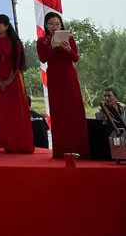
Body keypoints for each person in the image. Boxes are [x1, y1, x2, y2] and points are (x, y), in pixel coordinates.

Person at [36, 11, 89, 158]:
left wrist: (68, 49)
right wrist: (53, 47)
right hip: (54, 78)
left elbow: (75, 58)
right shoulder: (42, 41)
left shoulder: (69, 38)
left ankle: (80, 149)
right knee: (59, 112)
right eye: (51, 24)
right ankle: (61, 150)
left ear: (61, 25)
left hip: (69, 76)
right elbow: (43, 58)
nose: (54, 26)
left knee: (74, 110)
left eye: (57, 24)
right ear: (46, 26)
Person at [0, 14, 34, 153]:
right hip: (0, 78)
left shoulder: (15, 42)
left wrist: (8, 81)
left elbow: (17, 63)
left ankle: (21, 143)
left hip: (14, 78)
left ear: (7, 26)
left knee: (17, 110)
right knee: (4, 111)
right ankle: (8, 143)